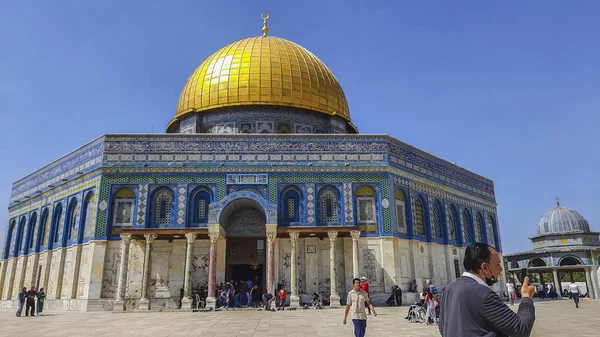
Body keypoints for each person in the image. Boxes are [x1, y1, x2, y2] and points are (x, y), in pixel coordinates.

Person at [438, 243, 536, 337]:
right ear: (485, 267)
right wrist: (526, 298)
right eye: (497, 264)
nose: (501, 270)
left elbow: (443, 327)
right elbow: (520, 329)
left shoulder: (448, 290)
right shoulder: (483, 294)